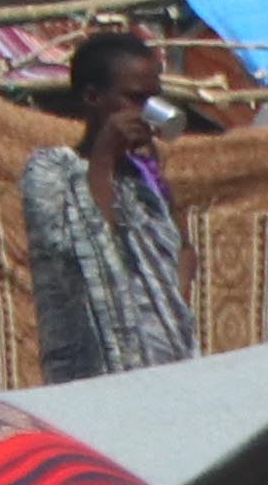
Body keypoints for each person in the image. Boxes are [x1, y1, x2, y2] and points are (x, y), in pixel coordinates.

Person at [22, 29, 204, 384]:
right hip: (93, 375)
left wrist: (170, 299)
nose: (148, 112)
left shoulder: (143, 177)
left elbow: (181, 249)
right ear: (93, 97)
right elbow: (84, 245)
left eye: (154, 99)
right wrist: (105, 154)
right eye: (136, 99)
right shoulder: (51, 170)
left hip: (165, 373)